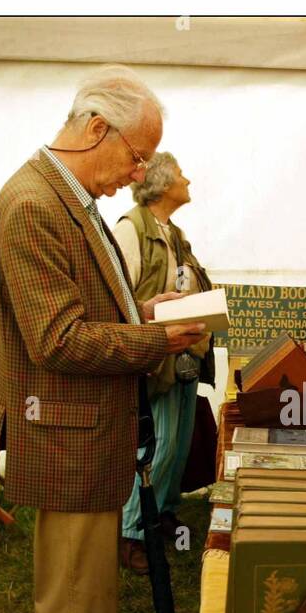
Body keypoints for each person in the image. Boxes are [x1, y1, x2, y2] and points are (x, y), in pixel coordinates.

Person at [0, 64, 204, 613]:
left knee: (92, 575)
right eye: (136, 155)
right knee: (73, 583)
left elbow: (85, 308)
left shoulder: (63, 198)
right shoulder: (33, 205)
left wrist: (145, 312)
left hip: (84, 425)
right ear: (95, 128)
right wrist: (154, 337)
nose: (138, 174)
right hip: (66, 427)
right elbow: (58, 338)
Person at [112, 151, 213, 574]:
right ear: (162, 183)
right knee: (158, 445)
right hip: (156, 354)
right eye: (180, 174)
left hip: (184, 352)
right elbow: (115, 302)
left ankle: (165, 511)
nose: (187, 179)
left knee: (180, 439)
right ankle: (132, 534)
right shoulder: (129, 230)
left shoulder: (172, 232)